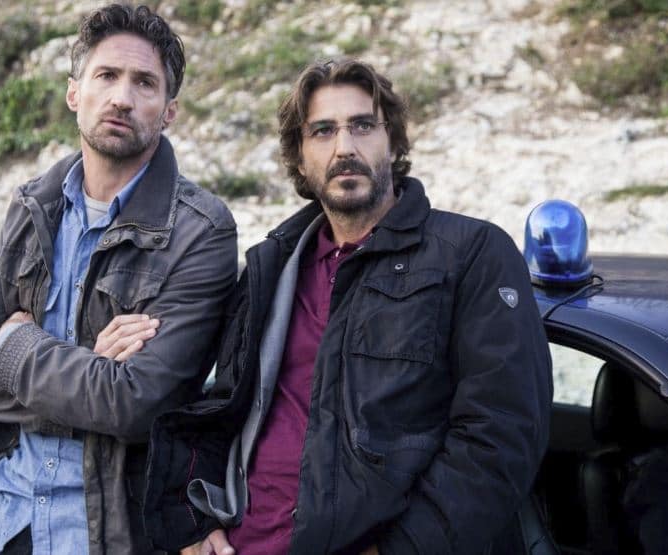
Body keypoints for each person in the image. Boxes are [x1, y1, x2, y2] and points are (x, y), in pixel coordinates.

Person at [140, 58, 553, 554]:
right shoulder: (272, 266)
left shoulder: (471, 254)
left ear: (393, 141)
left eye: (362, 126)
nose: (345, 148)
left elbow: (500, 438)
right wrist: (196, 523)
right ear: (299, 158)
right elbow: (222, 409)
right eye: (322, 131)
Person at [0, 4, 237, 554]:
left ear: (169, 111)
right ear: (74, 93)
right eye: (106, 75)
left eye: (144, 83)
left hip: (104, 532)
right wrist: (91, 366)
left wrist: (17, 345)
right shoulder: (33, 206)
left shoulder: (199, 231)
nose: (122, 97)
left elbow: (137, 404)